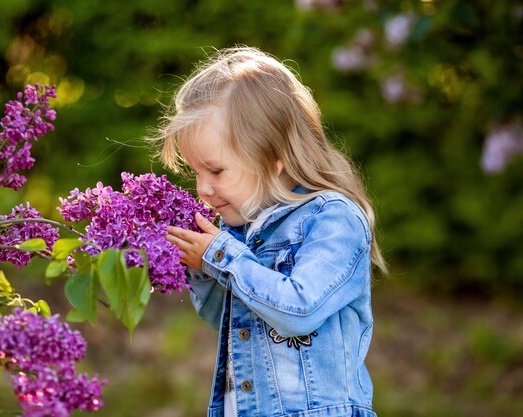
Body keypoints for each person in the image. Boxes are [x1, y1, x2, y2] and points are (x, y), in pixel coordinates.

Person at [155, 46, 387, 417]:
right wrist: (201, 269)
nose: (202, 188)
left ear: (273, 157)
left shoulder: (332, 219)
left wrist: (221, 256)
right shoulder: (239, 227)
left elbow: (298, 310)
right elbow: (227, 317)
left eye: (215, 171)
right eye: (195, 172)